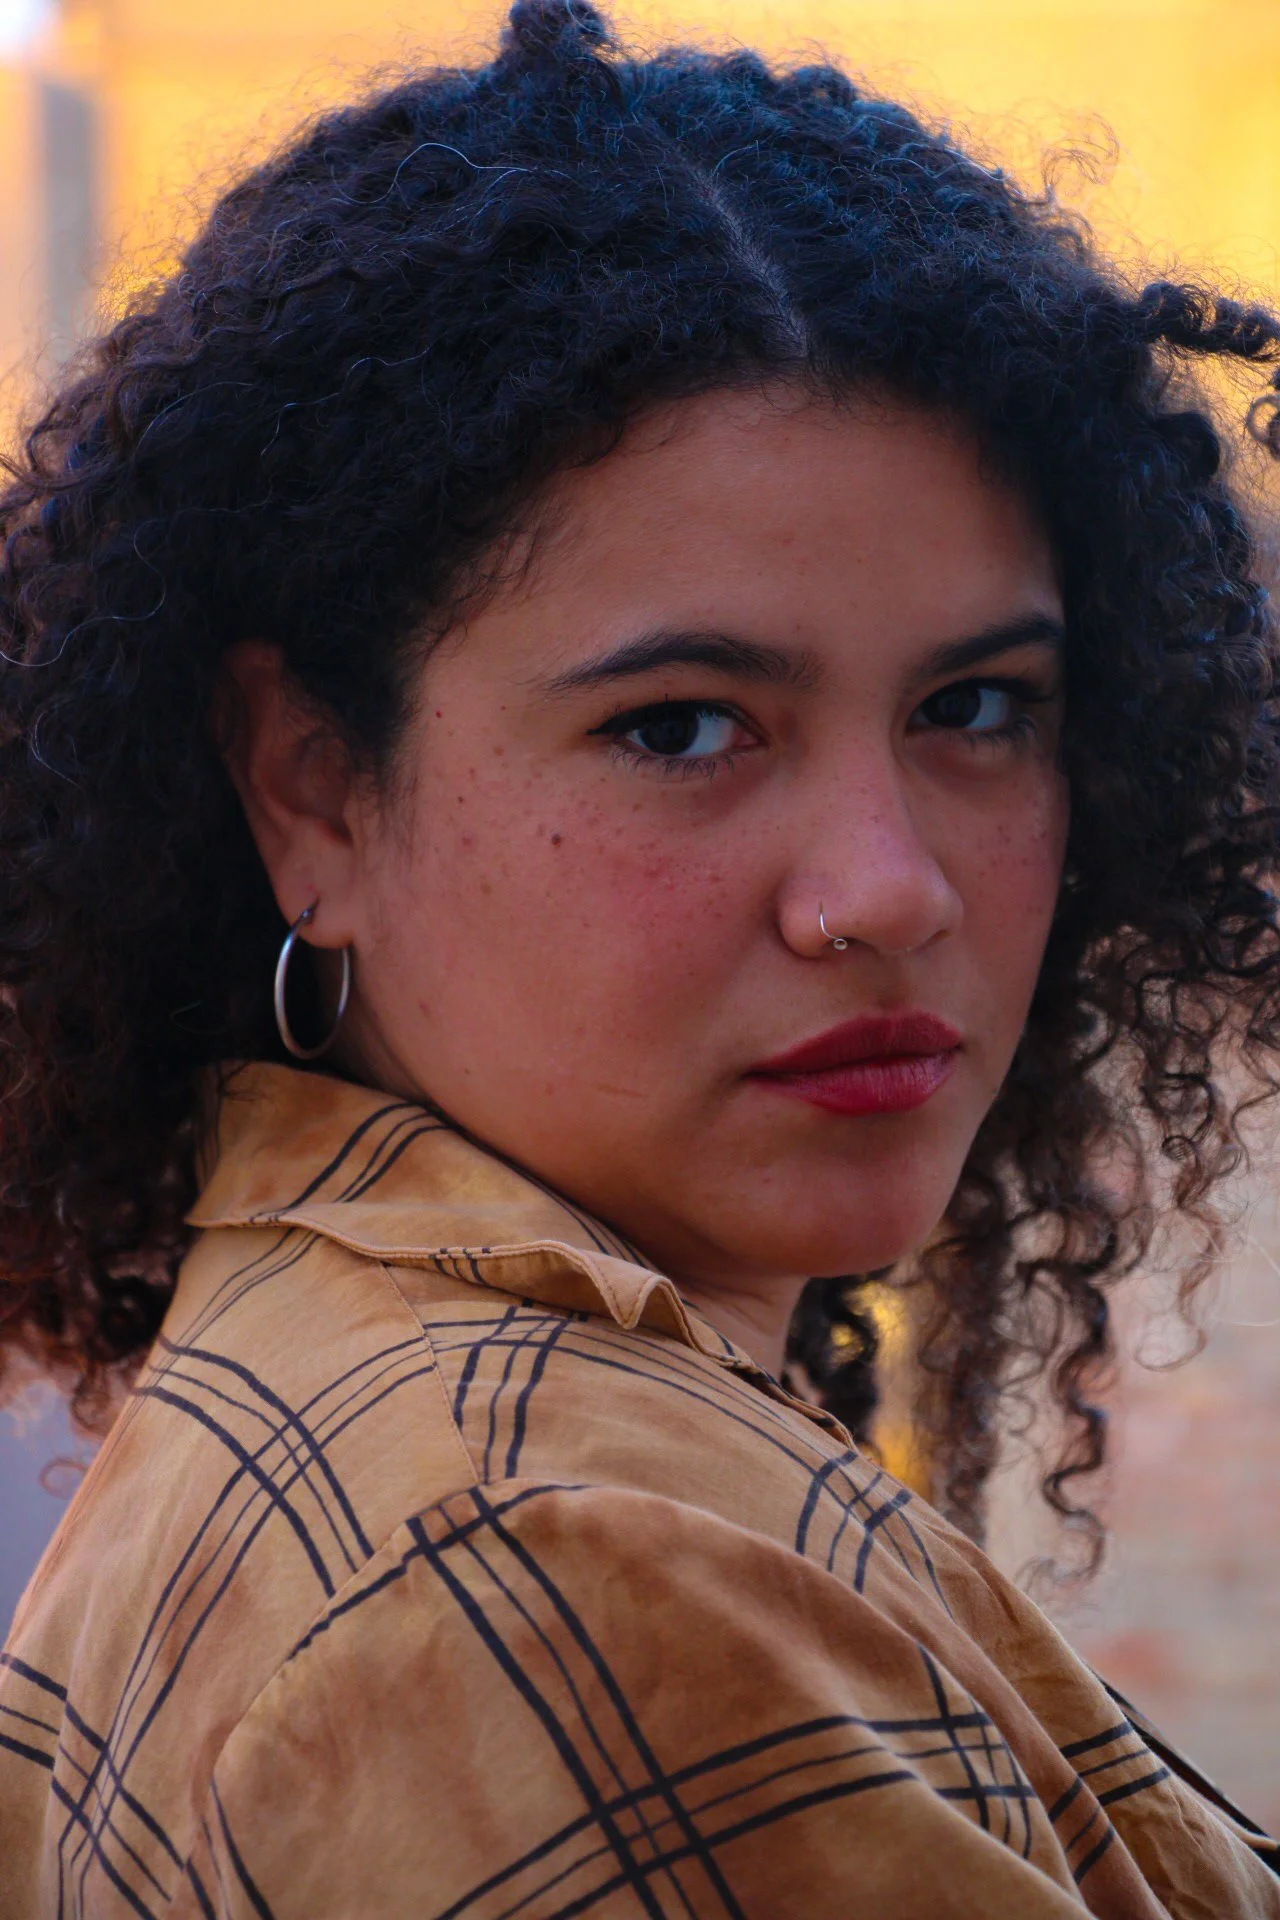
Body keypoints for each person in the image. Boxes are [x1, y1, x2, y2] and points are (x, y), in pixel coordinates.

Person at [2, 1, 1279, 1911]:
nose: (887, 889)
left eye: (981, 706)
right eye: (684, 727)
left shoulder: (404, 1413)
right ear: (312, 790)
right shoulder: (525, 1575)